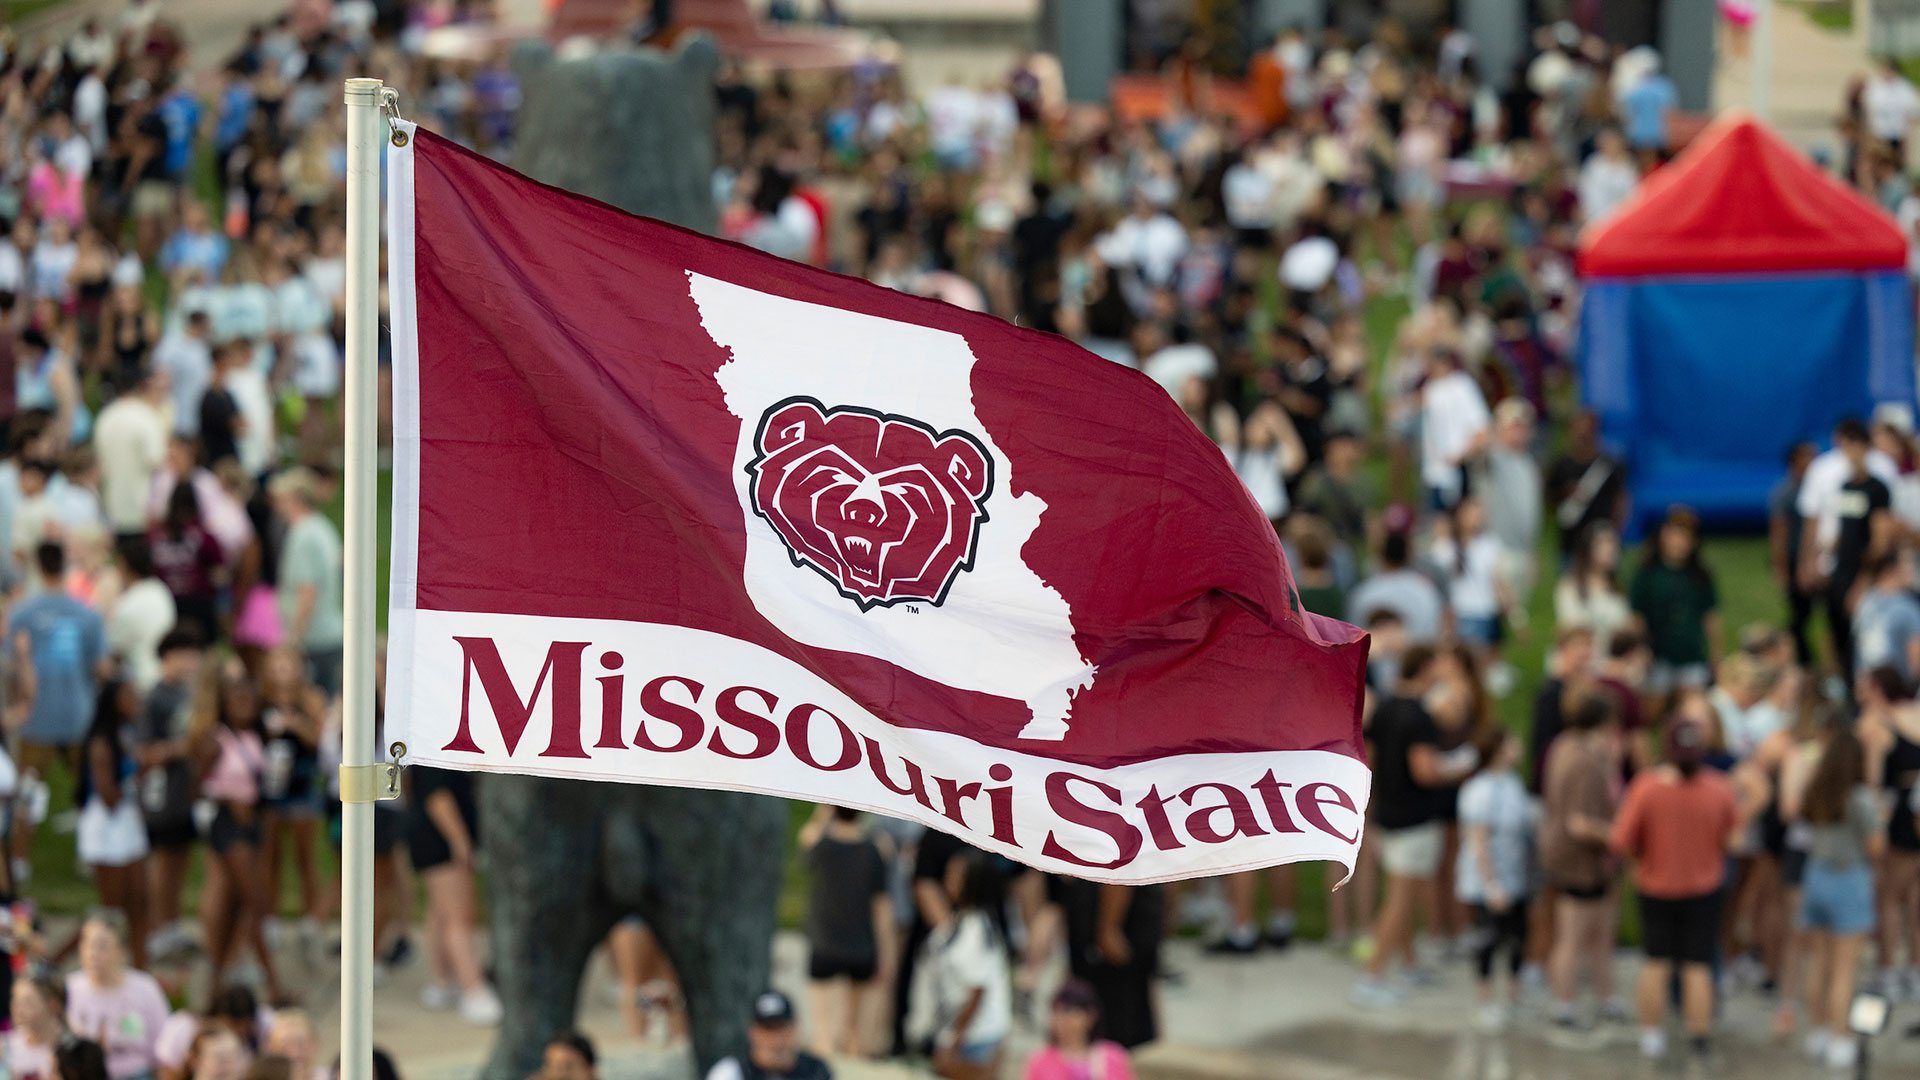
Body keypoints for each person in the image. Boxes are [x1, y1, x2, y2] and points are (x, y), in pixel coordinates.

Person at [1609, 707, 1745, 1065]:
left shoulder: (1646, 788)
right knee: (1697, 965)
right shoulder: (1719, 788)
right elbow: (1734, 841)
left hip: (1655, 886)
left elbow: (1621, 840)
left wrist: (1643, 856)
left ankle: (1652, 1037)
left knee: (1656, 962)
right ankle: (1699, 1037)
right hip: (1703, 887)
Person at [1352, 646, 1478, 1007]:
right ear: (1425, 668)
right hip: (1415, 818)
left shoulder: (1387, 706)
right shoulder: (1419, 716)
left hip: (1387, 814)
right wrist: (1459, 768)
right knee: (1400, 900)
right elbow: (1424, 770)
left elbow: (1370, 759)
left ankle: (1409, 963)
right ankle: (1372, 976)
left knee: (1399, 894)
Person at [9, 541, 108, 881]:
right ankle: (89, 855)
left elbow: (13, 666)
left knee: (26, 794)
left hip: (36, 718)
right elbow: (100, 666)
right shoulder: (88, 614)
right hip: (79, 714)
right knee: (86, 792)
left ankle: (19, 861)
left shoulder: (21, 613)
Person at [188, 660, 282, 1001]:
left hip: (250, 823)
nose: (243, 706)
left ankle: (218, 981)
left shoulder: (253, 736)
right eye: (236, 700)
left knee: (237, 905)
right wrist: (228, 800)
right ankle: (273, 983)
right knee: (252, 898)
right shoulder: (216, 741)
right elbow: (195, 787)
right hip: (227, 824)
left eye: (248, 699)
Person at [1796, 723, 1885, 1069]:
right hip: (1848, 877)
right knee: (1845, 969)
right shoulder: (1860, 797)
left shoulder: (1817, 789)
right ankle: (1840, 1038)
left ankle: (1816, 1031)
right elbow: (1875, 845)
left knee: (1819, 962)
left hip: (1816, 875)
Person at [1539, 693, 1624, 1028]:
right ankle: (1564, 1002)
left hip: (1579, 858)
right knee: (1574, 934)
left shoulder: (1564, 745)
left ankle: (1605, 995)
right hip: (1580, 861)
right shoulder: (1585, 761)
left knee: (1601, 929)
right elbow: (1579, 823)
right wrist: (1620, 837)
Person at [1799, 418, 1897, 675]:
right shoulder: (1845, 486)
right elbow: (1846, 528)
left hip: (1860, 576)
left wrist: (1863, 582)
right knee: (1836, 632)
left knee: (1862, 641)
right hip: (1840, 572)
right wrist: (1821, 553)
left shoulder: (1877, 489)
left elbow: (1879, 540)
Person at [406, 765, 503, 1025]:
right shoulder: (434, 745)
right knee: (458, 916)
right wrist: (461, 842)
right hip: (441, 838)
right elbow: (437, 796)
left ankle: (442, 981)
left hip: (433, 835)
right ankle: (474, 990)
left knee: (440, 911)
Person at [1456, 727, 1537, 1032]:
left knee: (1518, 938)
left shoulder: (1513, 783)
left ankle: (1515, 999)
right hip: (1490, 882)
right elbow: (1478, 842)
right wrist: (1491, 885)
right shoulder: (1480, 790)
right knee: (1489, 940)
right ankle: (1485, 1001)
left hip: (1516, 877)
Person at [798, 805, 892, 1059]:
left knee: (823, 1032)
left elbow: (805, 839)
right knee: (855, 1035)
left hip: (824, 943)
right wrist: (883, 951)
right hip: (862, 945)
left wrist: (821, 812)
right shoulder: (874, 849)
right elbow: (881, 907)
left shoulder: (823, 844)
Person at [135, 627, 202, 961]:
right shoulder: (155, 698)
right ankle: (154, 927)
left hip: (186, 793)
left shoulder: (190, 693)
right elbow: (145, 751)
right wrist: (182, 748)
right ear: (166, 657)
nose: (191, 662)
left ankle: (172, 924)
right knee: (161, 864)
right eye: (184, 655)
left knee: (180, 859)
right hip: (162, 793)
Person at [256, 648, 326, 962]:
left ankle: (311, 919)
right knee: (269, 856)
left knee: (305, 857)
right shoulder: (260, 701)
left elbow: (324, 741)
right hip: (270, 788)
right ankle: (269, 915)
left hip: (302, 785)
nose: (282, 672)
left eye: (288, 665)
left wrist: (296, 725)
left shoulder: (309, 700)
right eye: (277, 666)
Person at [77, 680, 150, 970]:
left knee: (139, 901)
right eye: (128, 696)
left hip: (127, 821)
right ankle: (63, 954)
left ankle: (139, 967)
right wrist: (138, 782)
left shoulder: (126, 733)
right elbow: (107, 794)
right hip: (108, 827)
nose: (135, 701)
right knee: (112, 910)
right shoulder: (101, 743)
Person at [925, 852, 1013, 1079]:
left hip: (977, 1035)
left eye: (955, 876)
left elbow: (977, 990)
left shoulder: (976, 929)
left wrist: (954, 1041)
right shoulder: (965, 921)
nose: (948, 880)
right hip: (966, 1030)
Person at [64, 911, 169, 1080]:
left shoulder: (145, 989)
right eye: (87, 944)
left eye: (102, 946)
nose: (93, 953)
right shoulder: (69, 989)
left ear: (122, 951)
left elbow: (164, 1047)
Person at [1629, 507, 1720, 695]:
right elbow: (1638, 616)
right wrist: (1640, 649)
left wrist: (1715, 655)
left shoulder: (1700, 576)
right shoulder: (1648, 574)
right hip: (1658, 654)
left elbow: (1710, 616)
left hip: (1690, 654)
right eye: (1674, 535)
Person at [269, 469, 343, 697]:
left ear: (296, 499)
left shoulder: (302, 536)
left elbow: (307, 591)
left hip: (315, 639)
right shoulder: (322, 527)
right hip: (330, 631)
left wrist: (293, 638)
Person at [93, 369, 170, 546]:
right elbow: (157, 462)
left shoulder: (105, 418)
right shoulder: (148, 417)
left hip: (112, 505)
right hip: (142, 507)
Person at [146, 481, 224, 647]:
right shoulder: (202, 534)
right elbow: (219, 571)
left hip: (167, 603)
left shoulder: (156, 536)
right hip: (199, 605)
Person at [1418, 348, 1490, 511]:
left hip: (1460, 465)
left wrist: (1461, 455)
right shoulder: (1432, 389)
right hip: (1436, 468)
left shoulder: (1462, 385)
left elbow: (1481, 427)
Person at [1020, 980, 1134, 1080]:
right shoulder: (1040, 1062)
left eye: (1069, 1012)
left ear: (1091, 1015)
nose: (1062, 1020)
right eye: (1056, 1012)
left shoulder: (1113, 1056)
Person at [703, 991, 831, 1080]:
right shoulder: (730, 1072)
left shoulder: (817, 1071)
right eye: (767, 1029)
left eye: (781, 1029)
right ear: (752, 1032)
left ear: (796, 1029)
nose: (775, 1040)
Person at [1346, 531, 1446, 645]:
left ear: (1381, 554)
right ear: (1408, 555)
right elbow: (1435, 630)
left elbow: (1352, 638)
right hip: (1418, 658)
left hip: (1374, 660)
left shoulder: (1363, 592)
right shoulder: (1426, 590)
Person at [105, 539, 177, 697]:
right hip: (166, 676)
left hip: (143, 684)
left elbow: (112, 650)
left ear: (125, 566)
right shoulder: (161, 591)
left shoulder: (128, 604)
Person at [1554, 523, 1632, 658]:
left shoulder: (1618, 589)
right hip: (1580, 661)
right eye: (1603, 543)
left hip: (1611, 659)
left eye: (1613, 543)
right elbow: (1572, 630)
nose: (1610, 549)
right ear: (1588, 548)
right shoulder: (1570, 586)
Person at [1771, 442, 1818, 665]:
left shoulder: (1820, 488)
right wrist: (1781, 569)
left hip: (1817, 559)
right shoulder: (1786, 493)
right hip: (1793, 559)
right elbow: (1778, 533)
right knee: (1800, 615)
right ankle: (1800, 657)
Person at [1854, 552, 1920, 678]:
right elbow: (1917, 660)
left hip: (1869, 686)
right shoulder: (1907, 607)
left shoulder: (1865, 602)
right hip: (1895, 690)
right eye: (1908, 563)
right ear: (1891, 569)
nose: (1912, 569)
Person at [9, 975, 69, 1080]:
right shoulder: (6, 1048)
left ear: (53, 1004)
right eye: (15, 1000)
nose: (18, 1008)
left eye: (27, 1002)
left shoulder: (74, 1048)